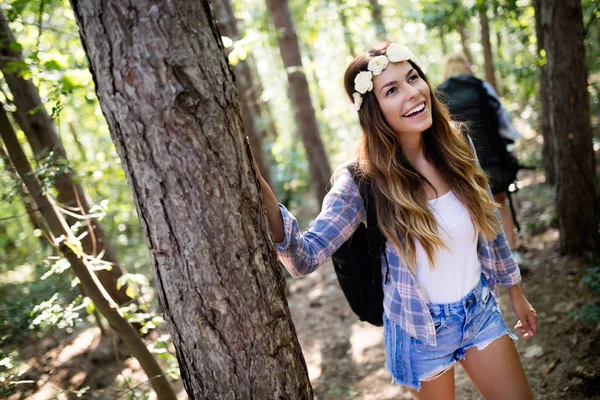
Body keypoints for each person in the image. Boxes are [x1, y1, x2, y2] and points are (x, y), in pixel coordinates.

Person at [253, 41, 537, 399]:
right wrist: (256, 180)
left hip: (478, 311)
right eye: (392, 89)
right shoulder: (361, 181)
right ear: (374, 111)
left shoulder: (457, 147)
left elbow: (489, 224)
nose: (413, 93)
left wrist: (515, 291)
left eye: (413, 78)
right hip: (419, 330)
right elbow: (302, 257)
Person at [438, 53, 523, 261]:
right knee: (501, 203)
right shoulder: (481, 87)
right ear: (466, 67)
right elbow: (502, 118)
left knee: (472, 210)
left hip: (461, 164)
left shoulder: (439, 94)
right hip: (492, 160)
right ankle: (512, 253)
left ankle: (484, 259)